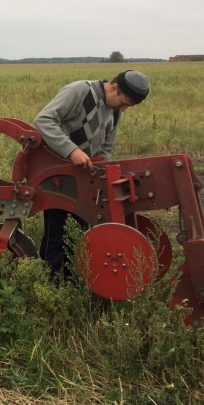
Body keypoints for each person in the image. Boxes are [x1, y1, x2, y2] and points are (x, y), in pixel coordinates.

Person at [33, 70, 150, 281]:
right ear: (113, 87)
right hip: (58, 173)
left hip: (85, 177)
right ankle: (50, 282)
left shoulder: (115, 111)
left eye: (129, 106)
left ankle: (72, 281)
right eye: (123, 102)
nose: (123, 109)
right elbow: (43, 120)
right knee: (56, 231)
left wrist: (99, 172)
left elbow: (106, 148)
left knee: (80, 231)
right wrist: (71, 150)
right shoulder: (79, 91)